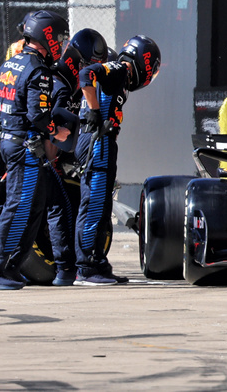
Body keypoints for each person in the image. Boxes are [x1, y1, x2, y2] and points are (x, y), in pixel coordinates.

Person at [0, 10, 69, 291]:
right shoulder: (37, 70)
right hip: (23, 147)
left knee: (33, 205)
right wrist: (58, 131)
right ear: (48, 37)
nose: (63, 44)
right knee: (20, 207)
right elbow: (38, 114)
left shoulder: (10, 64)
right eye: (61, 38)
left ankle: (10, 266)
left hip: (3, 142)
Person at [75, 35, 161, 286]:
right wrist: (93, 112)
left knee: (101, 207)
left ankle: (97, 262)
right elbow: (86, 75)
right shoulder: (119, 68)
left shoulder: (119, 73)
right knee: (94, 204)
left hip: (102, 141)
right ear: (145, 61)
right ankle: (87, 267)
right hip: (97, 140)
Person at [41, 28, 109, 286]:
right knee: (59, 206)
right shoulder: (60, 85)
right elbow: (51, 133)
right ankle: (64, 269)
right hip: (38, 157)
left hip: (39, 154)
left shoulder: (67, 83)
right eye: (88, 65)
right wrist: (54, 164)